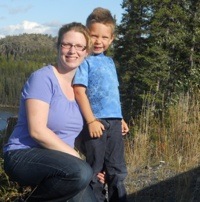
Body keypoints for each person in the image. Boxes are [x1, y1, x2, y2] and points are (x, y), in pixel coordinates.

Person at [3, 22, 103, 202]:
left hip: (64, 165)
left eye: (79, 46)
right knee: (80, 172)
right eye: (67, 44)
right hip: (24, 155)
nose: (73, 51)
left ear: (86, 52)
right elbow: (37, 131)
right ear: (58, 47)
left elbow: (83, 128)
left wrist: (96, 166)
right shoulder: (43, 78)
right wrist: (77, 159)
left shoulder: (78, 90)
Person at [73, 8, 129, 202]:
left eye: (104, 37)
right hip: (96, 121)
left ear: (111, 39)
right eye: (93, 35)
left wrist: (120, 117)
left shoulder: (110, 62)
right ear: (86, 34)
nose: (98, 41)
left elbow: (113, 92)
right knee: (95, 169)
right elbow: (79, 91)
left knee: (116, 169)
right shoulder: (84, 61)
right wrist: (90, 121)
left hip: (114, 122)